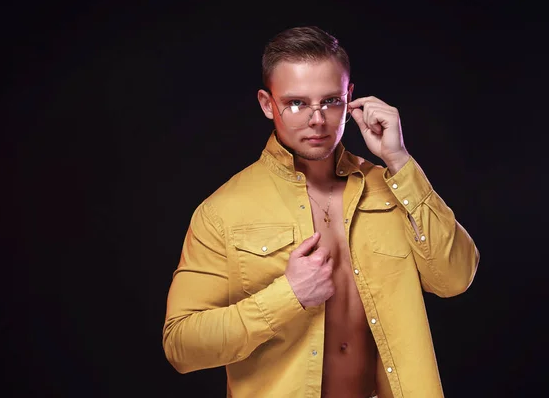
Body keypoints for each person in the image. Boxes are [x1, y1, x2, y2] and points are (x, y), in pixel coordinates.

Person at [162, 25, 479, 398]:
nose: (317, 120)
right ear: (268, 104)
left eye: (330, 101)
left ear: (350, 97)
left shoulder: (392, 186)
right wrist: (289, 295)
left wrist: (399, 160)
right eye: (297, 102)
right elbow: (182, 346)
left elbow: (456, 277)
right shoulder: (222, 211)